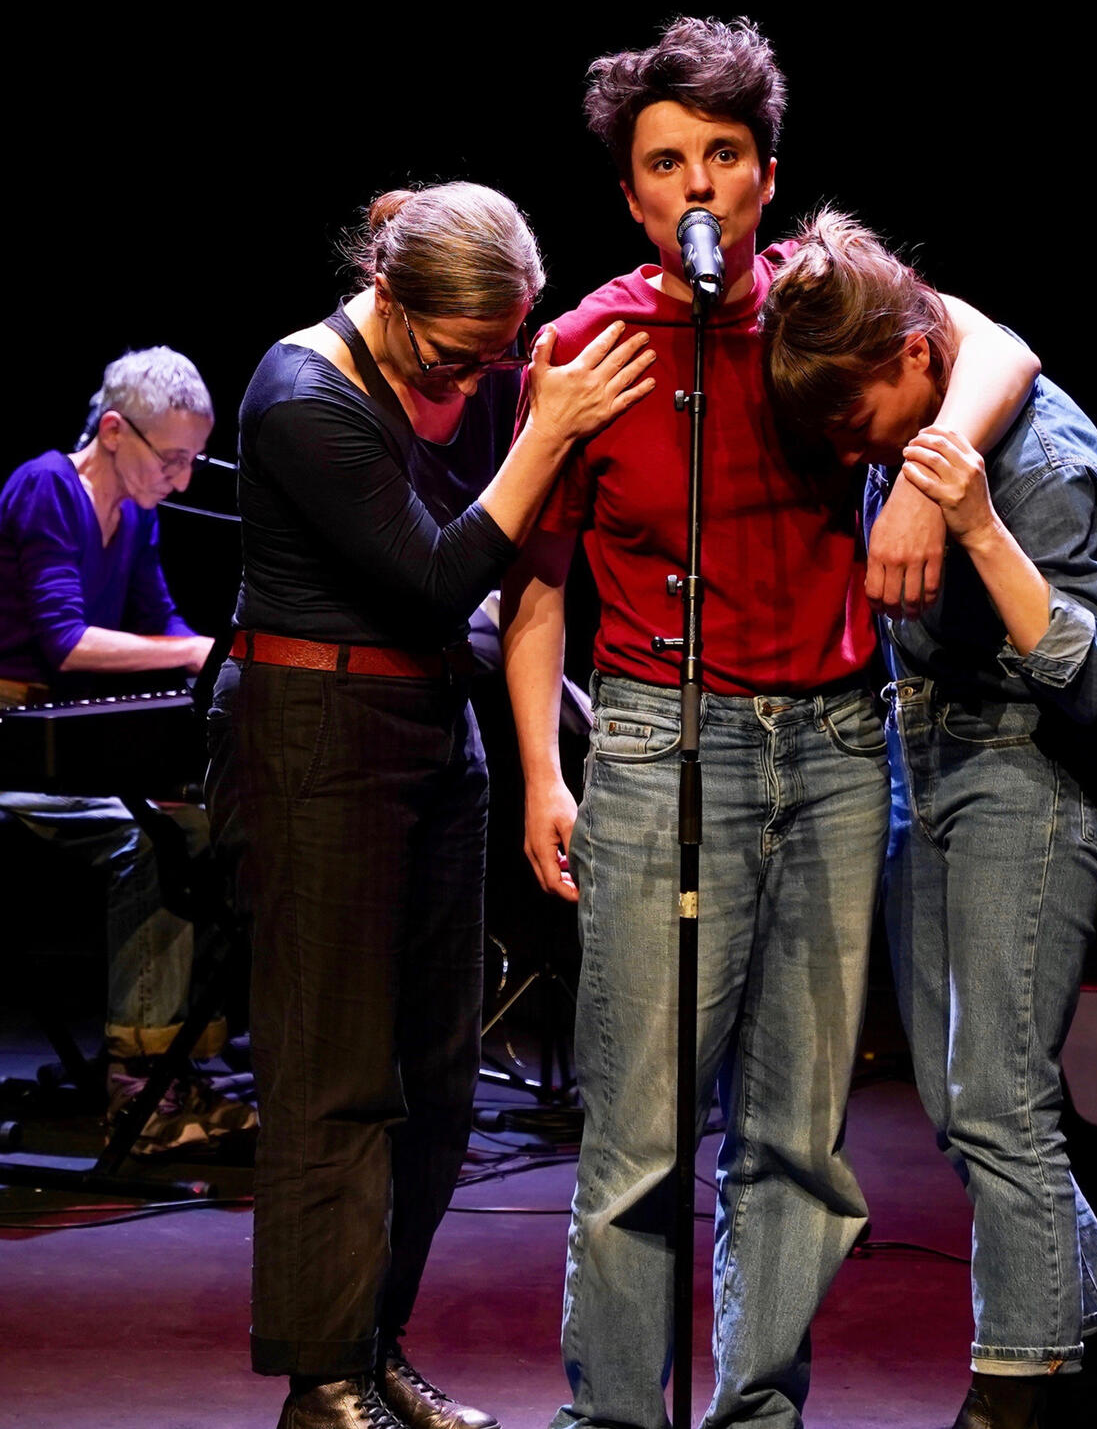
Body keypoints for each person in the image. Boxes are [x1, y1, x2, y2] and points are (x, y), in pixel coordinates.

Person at [500, 18, 1042, 1429]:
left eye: (724, 155)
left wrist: (926, 474)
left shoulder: (821, 301)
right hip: (657, 744)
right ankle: (615, 1416)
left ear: (766, 174)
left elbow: (999, 344)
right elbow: (537, 586)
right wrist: (542, 773)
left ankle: (758, 1412)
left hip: (838, 747)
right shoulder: (586, 347)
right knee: (639, 1129)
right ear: (632, 195)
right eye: (665, 161)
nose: (697, 183)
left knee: (798, 1131)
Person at [204, 182, 656, 1429]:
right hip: (314, 730)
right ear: (388, 293)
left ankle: (371, 1342)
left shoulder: (475, 370)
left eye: (498, 352)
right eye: (459, 352)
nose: (479, 374)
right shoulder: (300, 393)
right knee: (336, 1073)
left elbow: (495, 571)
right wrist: (546, 431)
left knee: (440, 1078)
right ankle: (321, 1379)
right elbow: (436, 573)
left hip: (428, 723)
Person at [762, 209, 1097, 1429]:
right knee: (960, 1102)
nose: (847, 449)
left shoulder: (1043, 465)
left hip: (1031, 774)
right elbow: (961, 317)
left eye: (854, 420)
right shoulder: (925, 369)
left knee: (999, 1100)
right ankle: (1087, 1377)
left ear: (914, 358)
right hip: (924, 760)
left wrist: (970, 519)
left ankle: (1011, 1395)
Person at [0, 346, 256, 1153]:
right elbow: (67, 642)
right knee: (151, 840)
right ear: (114, 430)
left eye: (191, 461)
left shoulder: (137, 514)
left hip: (71, 751)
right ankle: (136, 1085)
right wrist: (192, 652)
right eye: (170, 459)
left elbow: (163, 623)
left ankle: (180, 1063)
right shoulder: (46, 487)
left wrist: (226, 656)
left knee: (210, 825)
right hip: (14, 744)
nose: (179, 481)